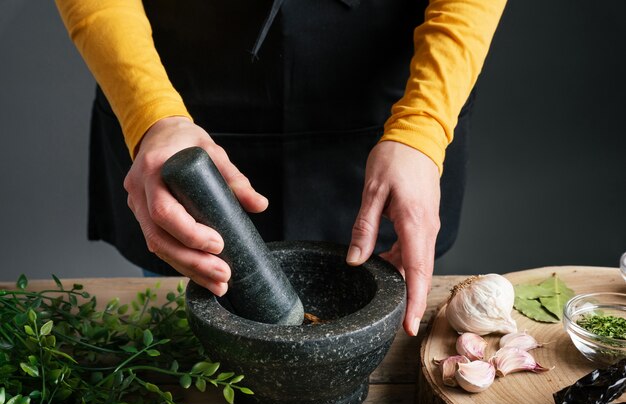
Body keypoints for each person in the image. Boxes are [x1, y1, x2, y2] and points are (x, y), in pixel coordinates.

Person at [55, 0, 507, 336]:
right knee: (188, 311)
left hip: (388, 107)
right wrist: (149, 115)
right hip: (175, 96)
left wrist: (422, 128)